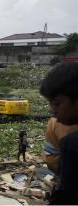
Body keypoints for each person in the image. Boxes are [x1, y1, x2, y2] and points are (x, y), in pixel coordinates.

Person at [40, 62, 78, 204]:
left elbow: (66, 196)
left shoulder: (72, 144)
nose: (53, 110)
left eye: (57, 103)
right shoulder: (55, 126)